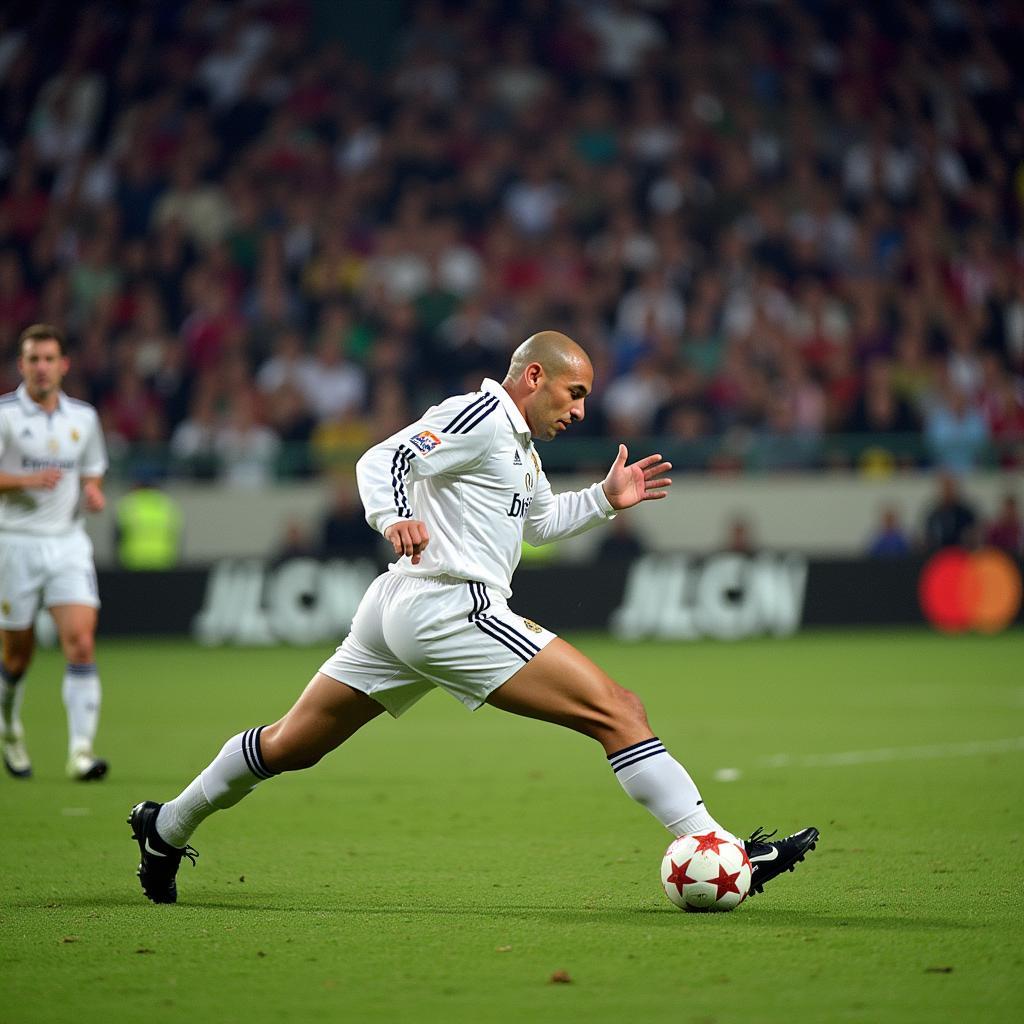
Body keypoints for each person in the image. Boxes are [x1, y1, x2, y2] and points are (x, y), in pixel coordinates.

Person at [128, 331, 817, 903]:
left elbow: (539, 522)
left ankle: (166, 827)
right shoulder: (481, 416)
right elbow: (385, 456)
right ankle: (727, 855)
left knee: (290, 746)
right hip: (451, 606)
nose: (580, 410)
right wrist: (394, 513)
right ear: (535, 376)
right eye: (574, 394)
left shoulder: (518, 446)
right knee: (618, 710)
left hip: (401, 607)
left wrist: (605, 499)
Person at [0, 323, 109, 780]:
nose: (41, 368)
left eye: (49, 359)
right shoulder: (4, 415)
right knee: (16, 657)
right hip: (14, 543)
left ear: (63, 365)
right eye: (33, 359)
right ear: (21, 365)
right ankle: (9, 727)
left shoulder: (83, 418)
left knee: (81, 643)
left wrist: (93, 492)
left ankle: (81, 752)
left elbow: (91, 471)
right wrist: (26, 480)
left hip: (67, 543)